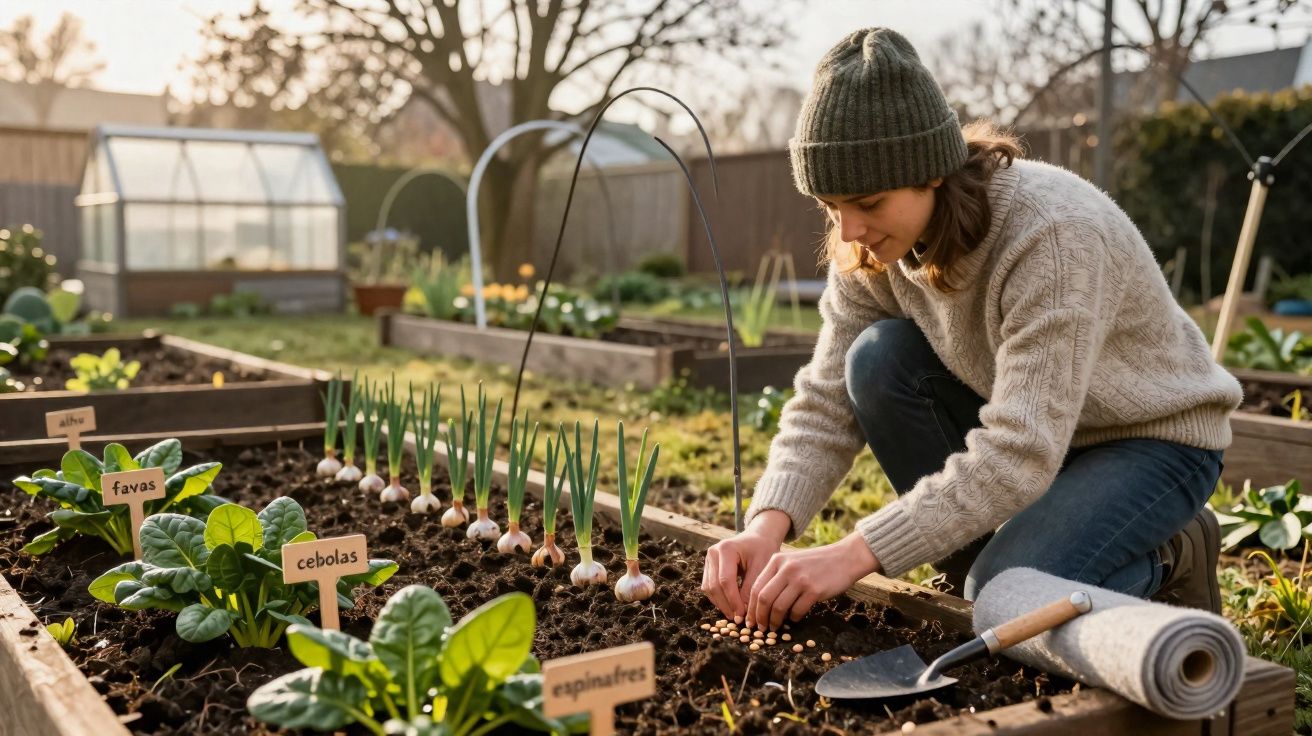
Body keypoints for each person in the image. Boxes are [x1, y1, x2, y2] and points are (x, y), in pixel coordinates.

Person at [701, 27, 1242, 632]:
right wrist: (765, 526)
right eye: (831, 207)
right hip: (1040, 440)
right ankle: (978, 566)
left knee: (1005, 596)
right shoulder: (870, 249)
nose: (848, 229)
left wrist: (853, 555)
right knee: (875, 359)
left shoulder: (1051, 235)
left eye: (868, 202)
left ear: (930, 172)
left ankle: (1175, 552)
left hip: (1149, 442)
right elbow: (826, 400)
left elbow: (1020, 449)